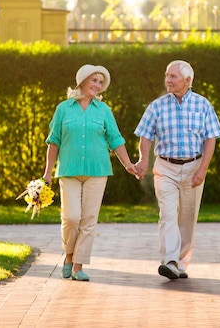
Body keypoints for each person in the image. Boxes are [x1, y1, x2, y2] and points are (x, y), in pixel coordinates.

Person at [43, 64, 137, 282]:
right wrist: (47, 173)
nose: (97, 85)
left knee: (88, 219)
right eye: (94, 80)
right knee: (71, 217)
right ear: (82, 81)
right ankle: (68, 256)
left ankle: (78, 265)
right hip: (68, 170)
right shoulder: (63, 108)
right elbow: (53, 141)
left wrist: (128, 164)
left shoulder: (104, 111)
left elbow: (115, 139)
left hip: (97, 171)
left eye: (100, 82)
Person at [134, 60, 220, 279]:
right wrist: (143, 160)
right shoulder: (156, 106)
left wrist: (202, 169)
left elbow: (210, 139)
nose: (167, 80)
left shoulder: (203, 105)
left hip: (193, 166)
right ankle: (169, 261)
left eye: (173, 76)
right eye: (166, 75)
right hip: (165, 167)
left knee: (188, 218)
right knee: (167, 215)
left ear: (188, 80)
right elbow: (145, 136)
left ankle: (181, 262)